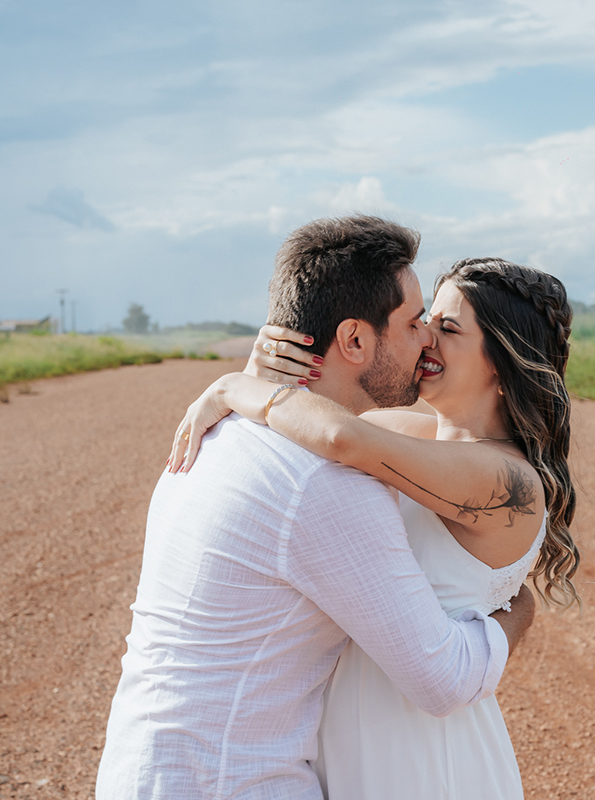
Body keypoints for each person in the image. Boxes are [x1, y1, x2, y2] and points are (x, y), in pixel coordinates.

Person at [95, 217, 535, 800]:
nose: (426, 339)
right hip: (228, 782)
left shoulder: (218, 432)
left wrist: (235, 385)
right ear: (354, 340)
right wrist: (520, 609)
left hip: (143, 769)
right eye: (413, 323)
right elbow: (444, 679)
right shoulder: (326, 481)